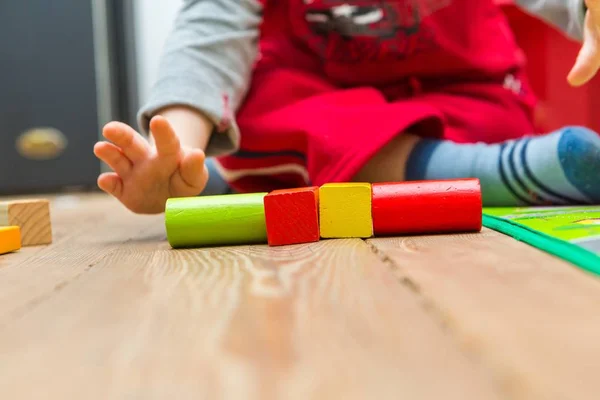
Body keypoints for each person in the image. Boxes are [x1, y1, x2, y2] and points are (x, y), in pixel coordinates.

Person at [94, 0, 600, 214]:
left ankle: (255, 175)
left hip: (459, 98)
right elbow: (211, 37)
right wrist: (179, 153)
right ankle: (478, 175)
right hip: (326, 107)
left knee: (495, 114)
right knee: (263, 109)